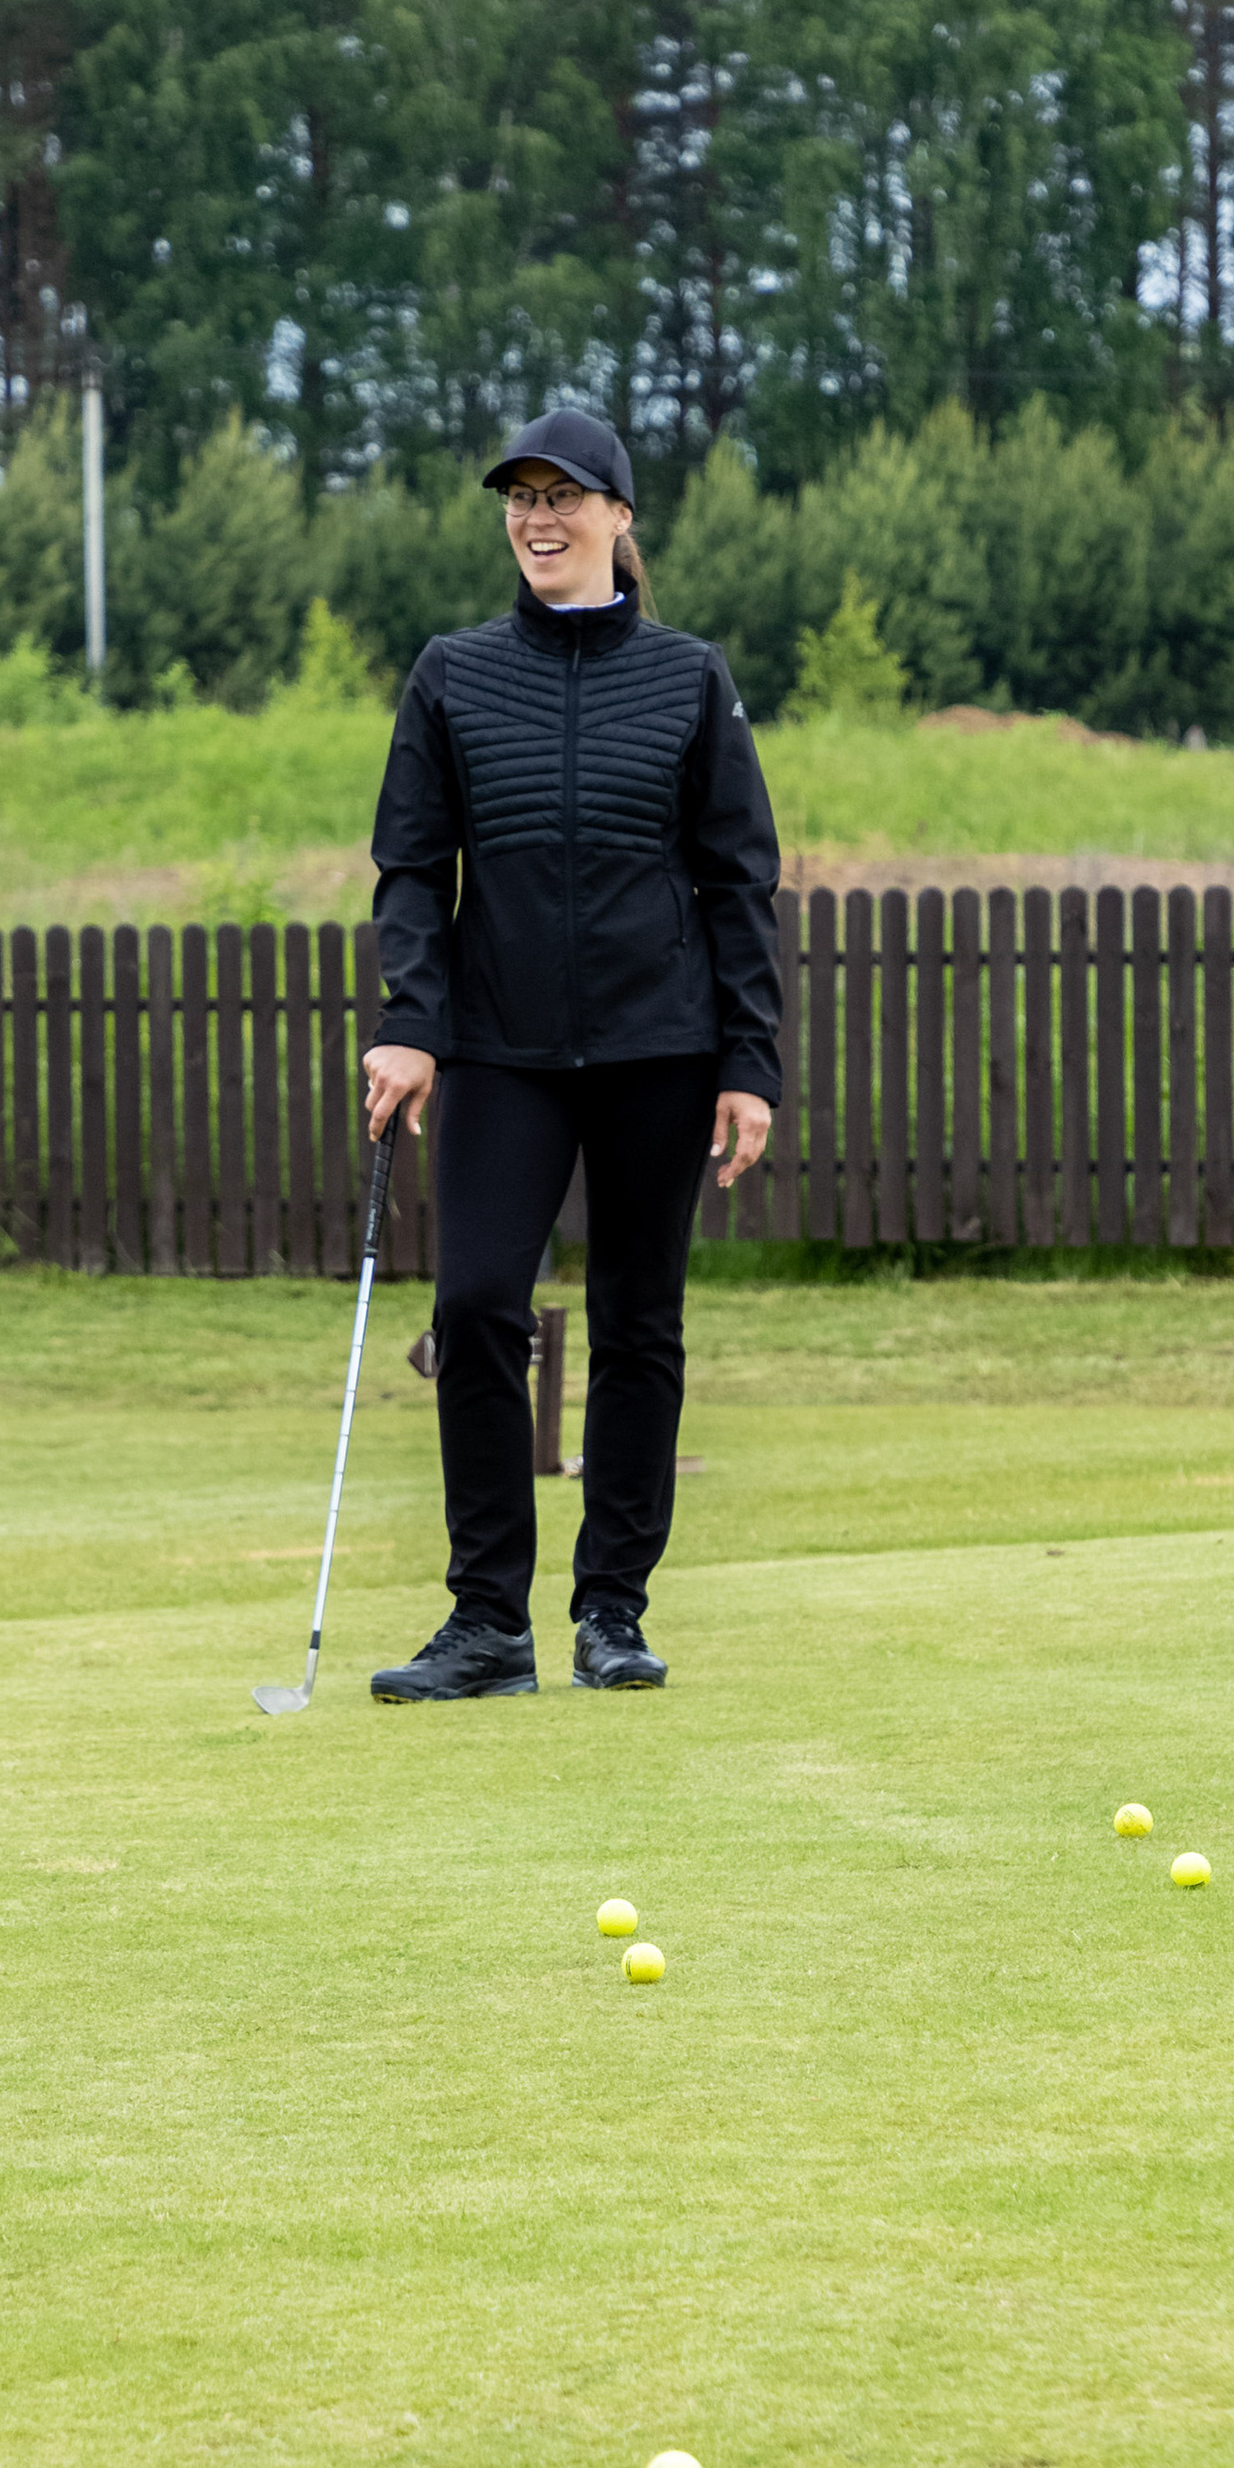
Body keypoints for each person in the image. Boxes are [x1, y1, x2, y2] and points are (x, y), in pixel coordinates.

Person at [360, 407, 782, 1701]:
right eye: (520, 498)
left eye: (564, 496)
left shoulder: (690, 680)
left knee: (638, 1324)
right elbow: (412, 870)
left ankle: (612, 1610)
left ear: (618, 516)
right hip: (500, 1051)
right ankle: (489, 1620)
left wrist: (749, 1063)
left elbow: (739, 878)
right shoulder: (452, 674)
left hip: (664, 1046)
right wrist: (412, 1026)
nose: (538, 518)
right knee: (478, 1303)